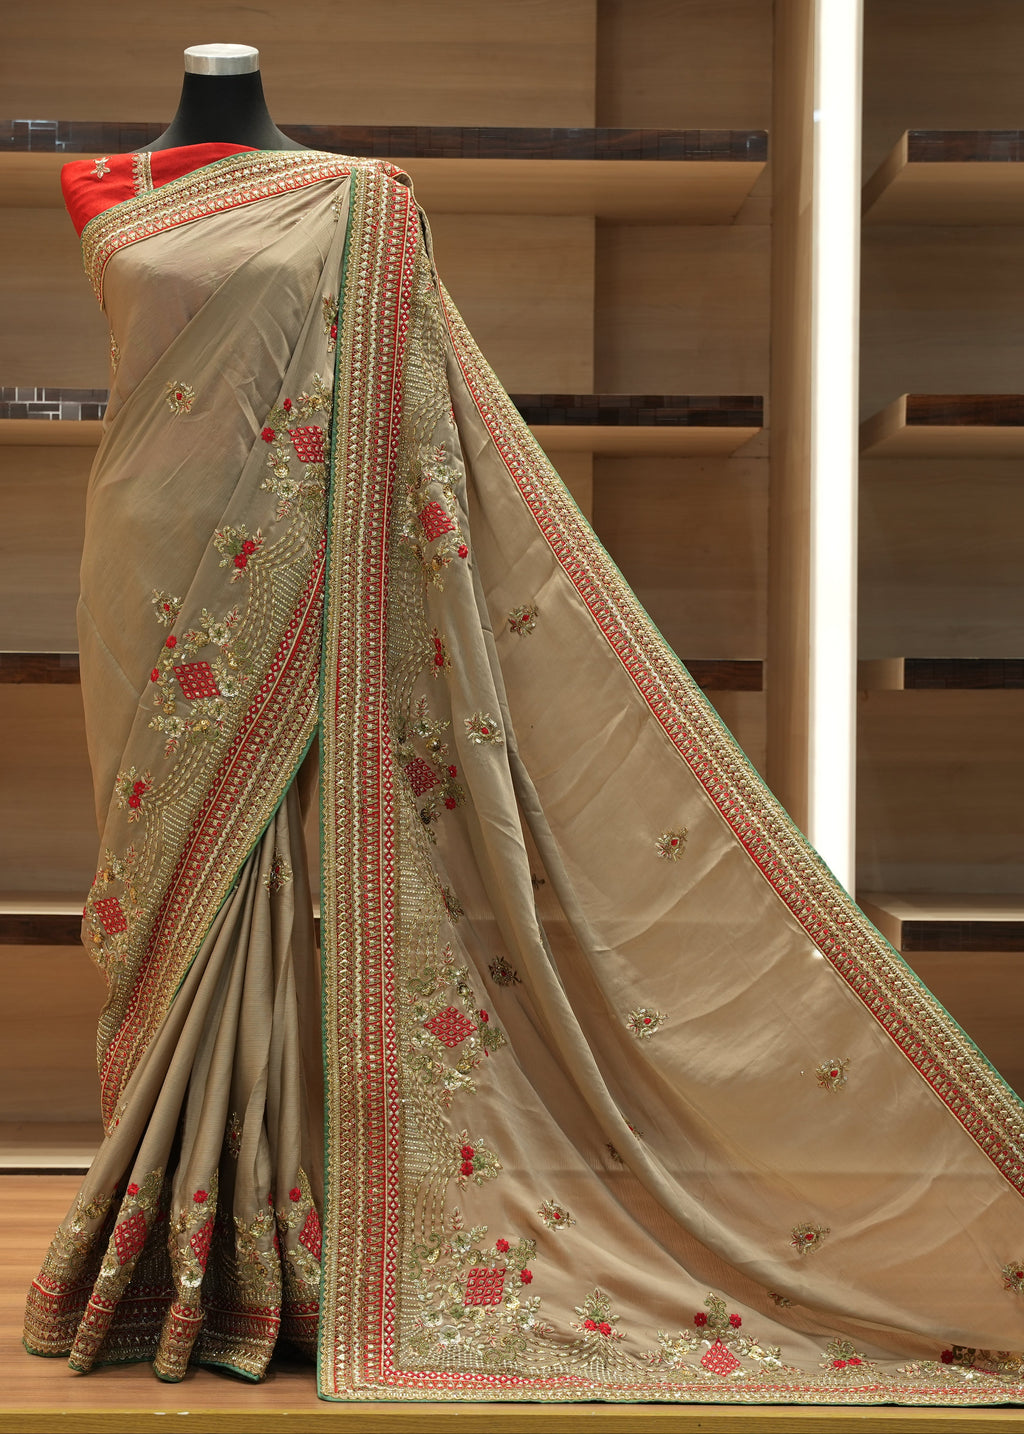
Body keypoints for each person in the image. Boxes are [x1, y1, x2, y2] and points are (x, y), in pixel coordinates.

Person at [23, 44, 1024, 1405]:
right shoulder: (99, 184)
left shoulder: (363, 201)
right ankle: (173, 1226)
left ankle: (256, 1246)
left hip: (302, 558)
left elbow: (398, 406)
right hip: (142, 562)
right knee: (161, 897)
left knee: (276, 881)